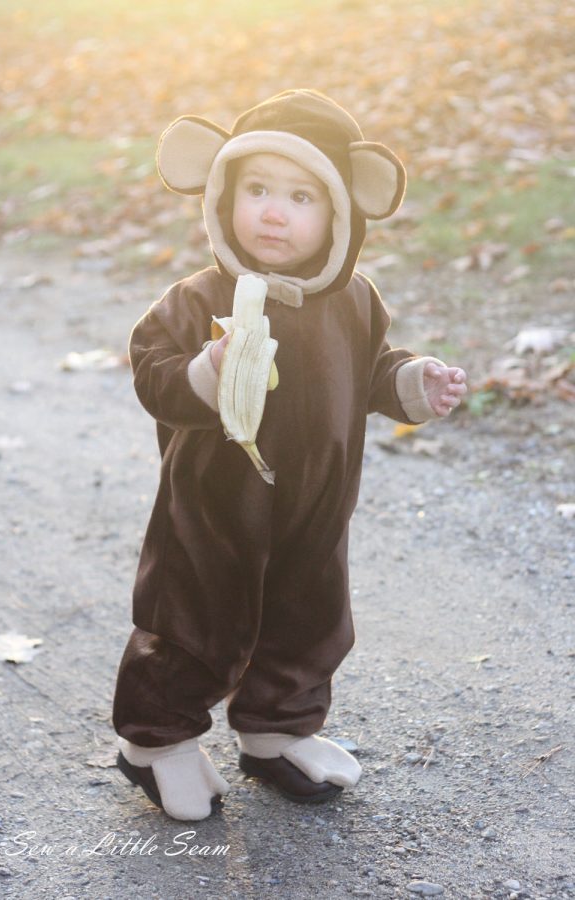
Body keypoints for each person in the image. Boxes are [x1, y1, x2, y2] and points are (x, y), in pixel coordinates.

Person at [112, 89, 467, 821]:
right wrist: (207, 371)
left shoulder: (356, 301)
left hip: (314, 509)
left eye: (302, 196)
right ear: (222, 192)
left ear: (340, 214)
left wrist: (412, 384)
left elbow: (369, 369)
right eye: (258, 190)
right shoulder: (197, 298)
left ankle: (277, 729)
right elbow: (153, 371)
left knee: (309, 619)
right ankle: (156, 741)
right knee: (192, 621)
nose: (274, 212)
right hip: (212, 511)